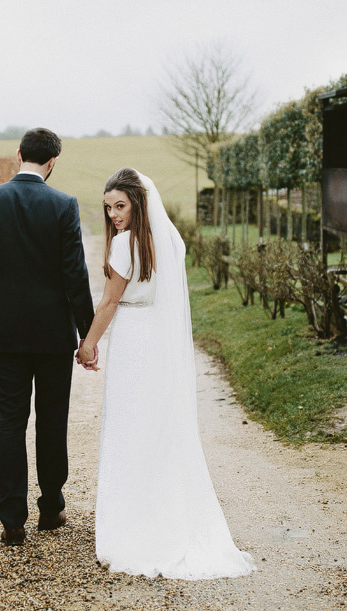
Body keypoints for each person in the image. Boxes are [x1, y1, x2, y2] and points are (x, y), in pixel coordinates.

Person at [77, 168, 255, 579]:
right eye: (108, 208)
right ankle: (166, 514)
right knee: (158, 425)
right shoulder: (170, 240)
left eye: (120, 206)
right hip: (160, 340)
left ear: (138, 203)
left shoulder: (125, 245)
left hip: (135, 339)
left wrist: (88, 345)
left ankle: (136, 526)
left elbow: (107, 304)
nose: (114, 215)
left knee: (128, 425)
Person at [0, 128, 96, 546]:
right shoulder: (63, 205)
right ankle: (51, 506)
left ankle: (12, 519)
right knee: (52, 419)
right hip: (55, 336)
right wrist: (88, 334)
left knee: (10, 422)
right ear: (52, 161)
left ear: (18, 154)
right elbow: (75, 274)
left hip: (4, 334)